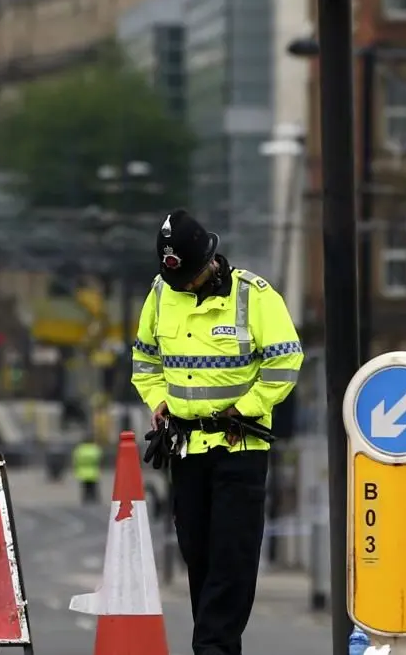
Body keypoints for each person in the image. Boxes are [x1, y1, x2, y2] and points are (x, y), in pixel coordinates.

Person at [131, 210, 302, 655]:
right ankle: (215, 646)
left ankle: (212, 649)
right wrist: (157, 399)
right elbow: (145, 359)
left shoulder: (253, 295)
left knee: (232, 559)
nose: (183, 285)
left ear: (209, 260)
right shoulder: (161, 293)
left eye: (188, 276)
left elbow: (286, 361)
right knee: (198, 557)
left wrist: (249, 406)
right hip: (186, 447)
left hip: (238, 444)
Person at [70, 434, 103, 504]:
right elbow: (99, 460)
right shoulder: (95, 449)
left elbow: (75, 460)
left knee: (85, 488)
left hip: (82, 472)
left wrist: (75, 469)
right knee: (93, 488)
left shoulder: (80, 449)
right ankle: (95, 499)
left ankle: (85, 499)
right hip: (93, 472)